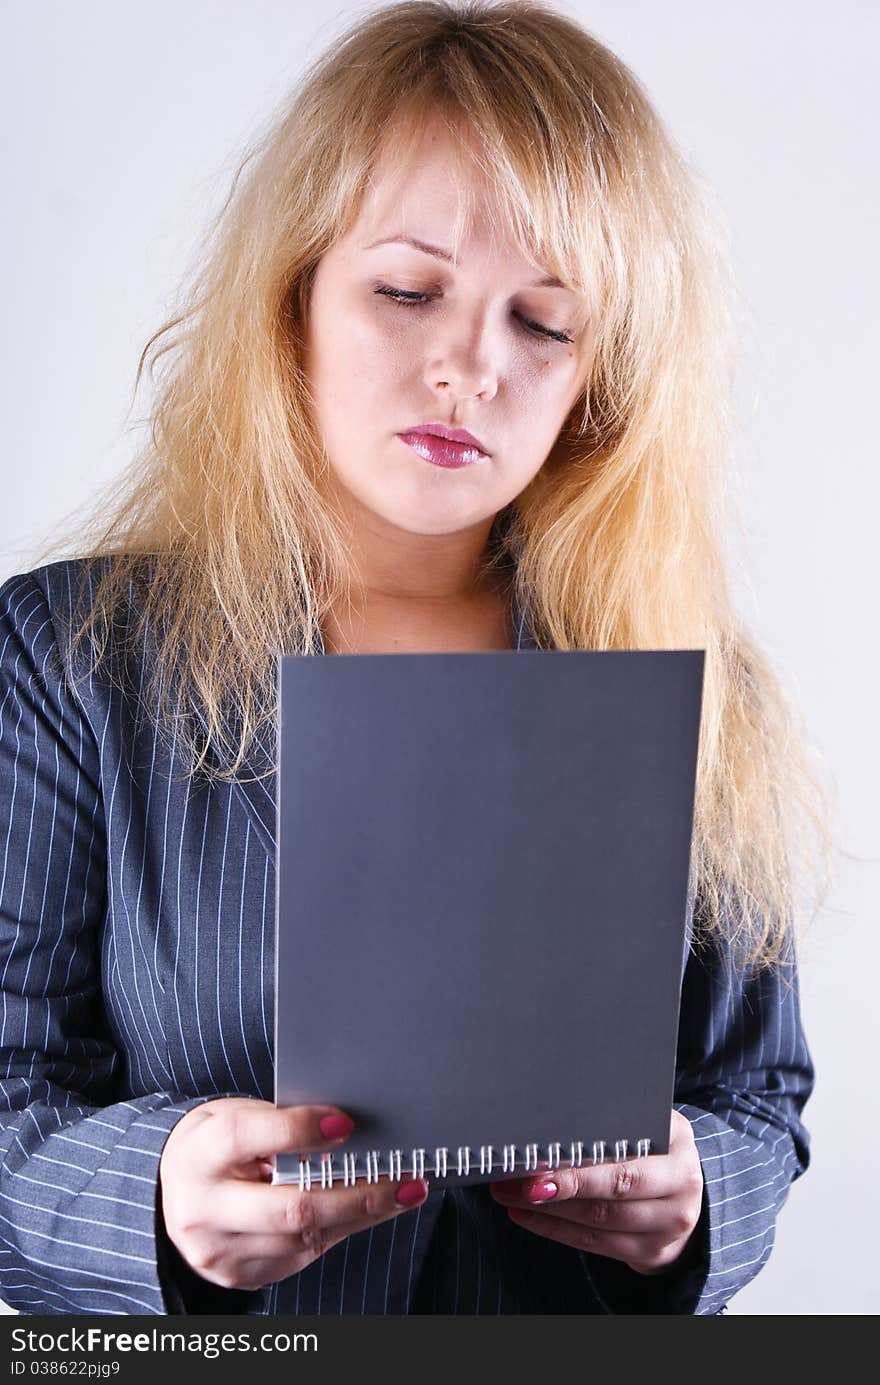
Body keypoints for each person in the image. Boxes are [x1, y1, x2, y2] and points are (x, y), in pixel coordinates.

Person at [0, 0, 830, 1316]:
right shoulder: (65, 663)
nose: (467, 367)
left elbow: (752, 1099)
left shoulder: (687, 672)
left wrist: (691, 1201)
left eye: (543, 325)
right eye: (406, 290)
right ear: (294, 299)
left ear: (596, 387)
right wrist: (157, 1195)